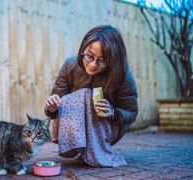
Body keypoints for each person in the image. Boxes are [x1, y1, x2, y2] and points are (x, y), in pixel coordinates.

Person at [44, 25, 138, 167]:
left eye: (103, 60)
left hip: (107, 130)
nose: (94, 64)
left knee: (87, 95)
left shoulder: (123, 74)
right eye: (89, 56)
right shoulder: (70, 65)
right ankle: (76, 147)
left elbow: (131, 112)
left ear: (113, 59)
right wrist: (51, 107)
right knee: (84, 95)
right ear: (83, 49)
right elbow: (56, 104)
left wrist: (113, 113)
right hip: (71, 128)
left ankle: (95, 151)